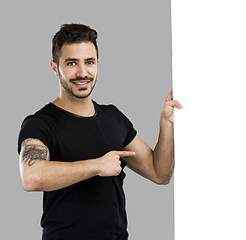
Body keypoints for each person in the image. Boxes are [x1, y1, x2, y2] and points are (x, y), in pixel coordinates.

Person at [17, 23, 182, 240]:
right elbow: (32, 176)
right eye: (71, 63)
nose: (82, 72)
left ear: (98, 64)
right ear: (55, 68)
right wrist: (97, 165)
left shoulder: (113, 118)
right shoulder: (40, 124)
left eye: (89, 62)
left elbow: (159, 174)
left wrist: (166, 124)